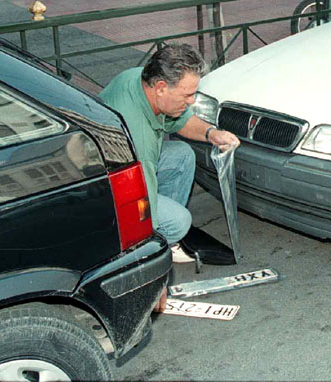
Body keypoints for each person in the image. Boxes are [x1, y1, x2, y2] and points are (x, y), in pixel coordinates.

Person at [99, 44, 239, 264]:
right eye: (187, 95)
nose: (192, 101)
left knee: (182, 155)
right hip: (111, 191)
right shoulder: (139, 138)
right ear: (161, 87)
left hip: (114, 166)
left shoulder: (139, 78)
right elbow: (138, 209)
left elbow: (182, 121)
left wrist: (212, 134)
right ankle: (158, 244)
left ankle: (164, 226)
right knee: (179, 222)